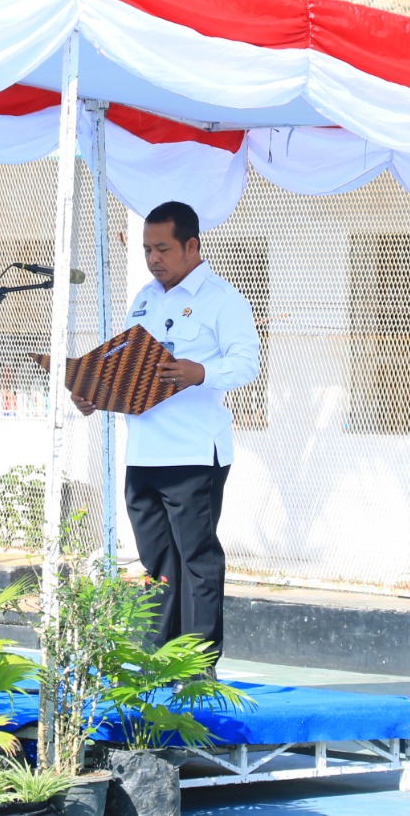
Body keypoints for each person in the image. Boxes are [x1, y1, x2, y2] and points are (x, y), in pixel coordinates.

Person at [73, 200, 259, 662]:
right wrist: (95, 393)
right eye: (146, 250)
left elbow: (246, 364)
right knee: (156, 562)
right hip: (143, 453)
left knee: (197, 560)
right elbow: (128, 367)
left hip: (193, 454)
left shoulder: (223, 299)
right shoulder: (144, 298)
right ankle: (157, 659)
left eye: (163, 249)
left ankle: (197, 665)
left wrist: (201, 372)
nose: (153, 259)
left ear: (191, 246)